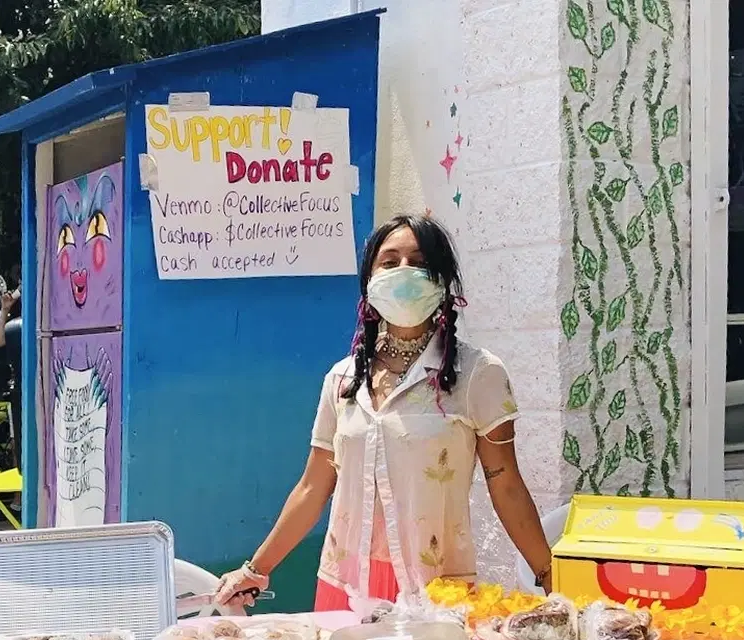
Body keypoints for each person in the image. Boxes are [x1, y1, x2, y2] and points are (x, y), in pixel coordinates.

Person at [214, 214, 553, 610]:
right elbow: (312, 487)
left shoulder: (478, 374)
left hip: (436, 589)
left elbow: (506, 484)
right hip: (346, 584)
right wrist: (255, 569)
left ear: (442, 281)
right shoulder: (342, 380)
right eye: (390, 263)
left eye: (419, 263)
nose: (404, 272)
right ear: (370, 282)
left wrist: (552, 577)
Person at [0, 286, 24, 469]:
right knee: (18, 444)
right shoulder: (15, 328)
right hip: (21, 392)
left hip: (23, 392)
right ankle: (18, 497)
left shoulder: (17, 328)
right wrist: (5, 310)